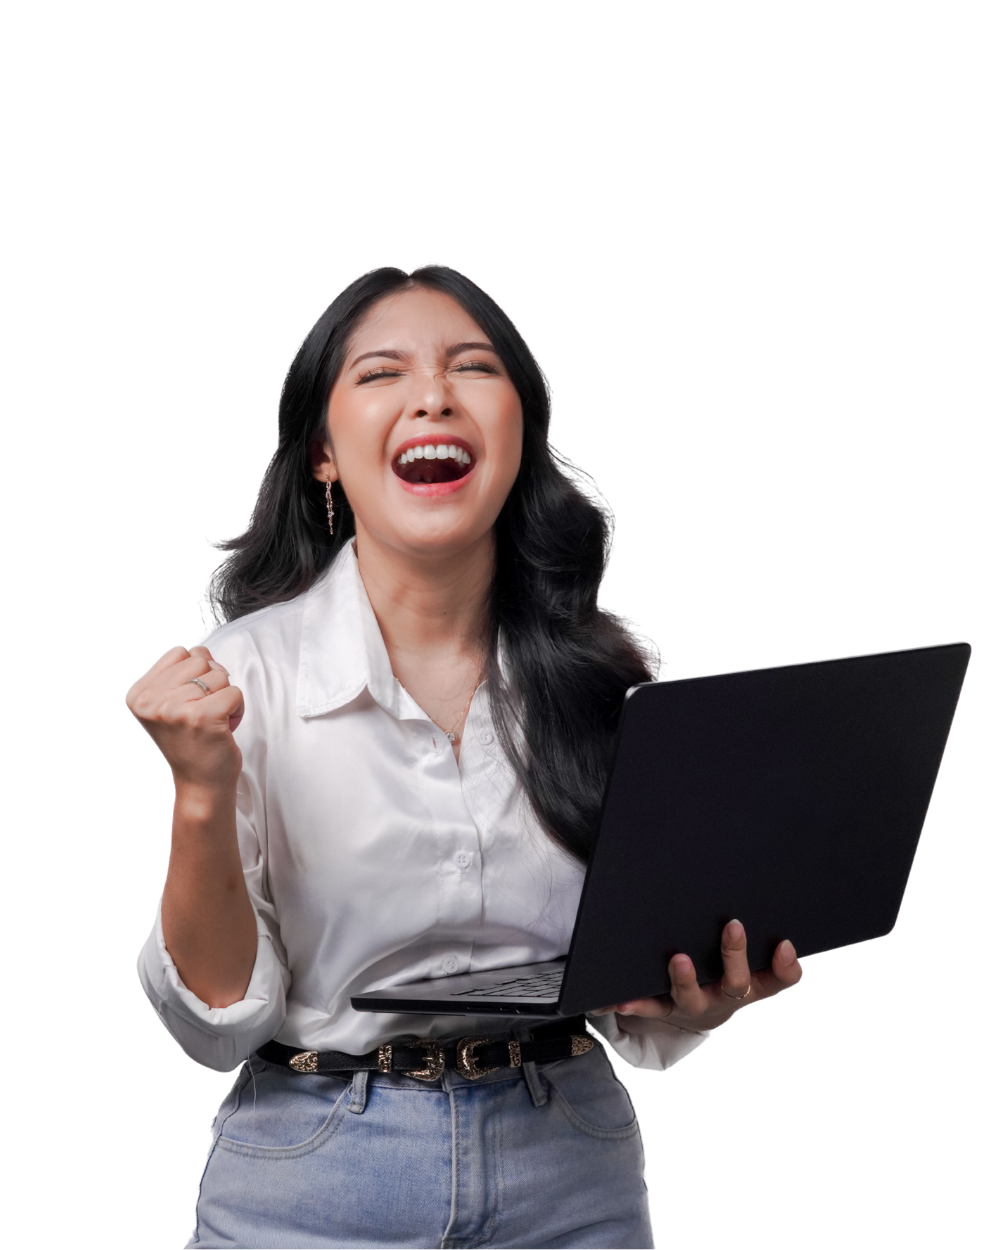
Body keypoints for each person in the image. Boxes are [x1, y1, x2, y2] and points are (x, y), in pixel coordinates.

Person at [128, 265, 804, 1248]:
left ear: (520, 433)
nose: (433, 395)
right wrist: (200, 789)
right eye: (381, 373)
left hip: (572, 1163)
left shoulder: (608, 678)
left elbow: (634, 1001)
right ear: (323, 454)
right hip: (312, 1173)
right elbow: (216, 1023)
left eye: (472, 367)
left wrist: (702, 991)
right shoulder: (238, 677)